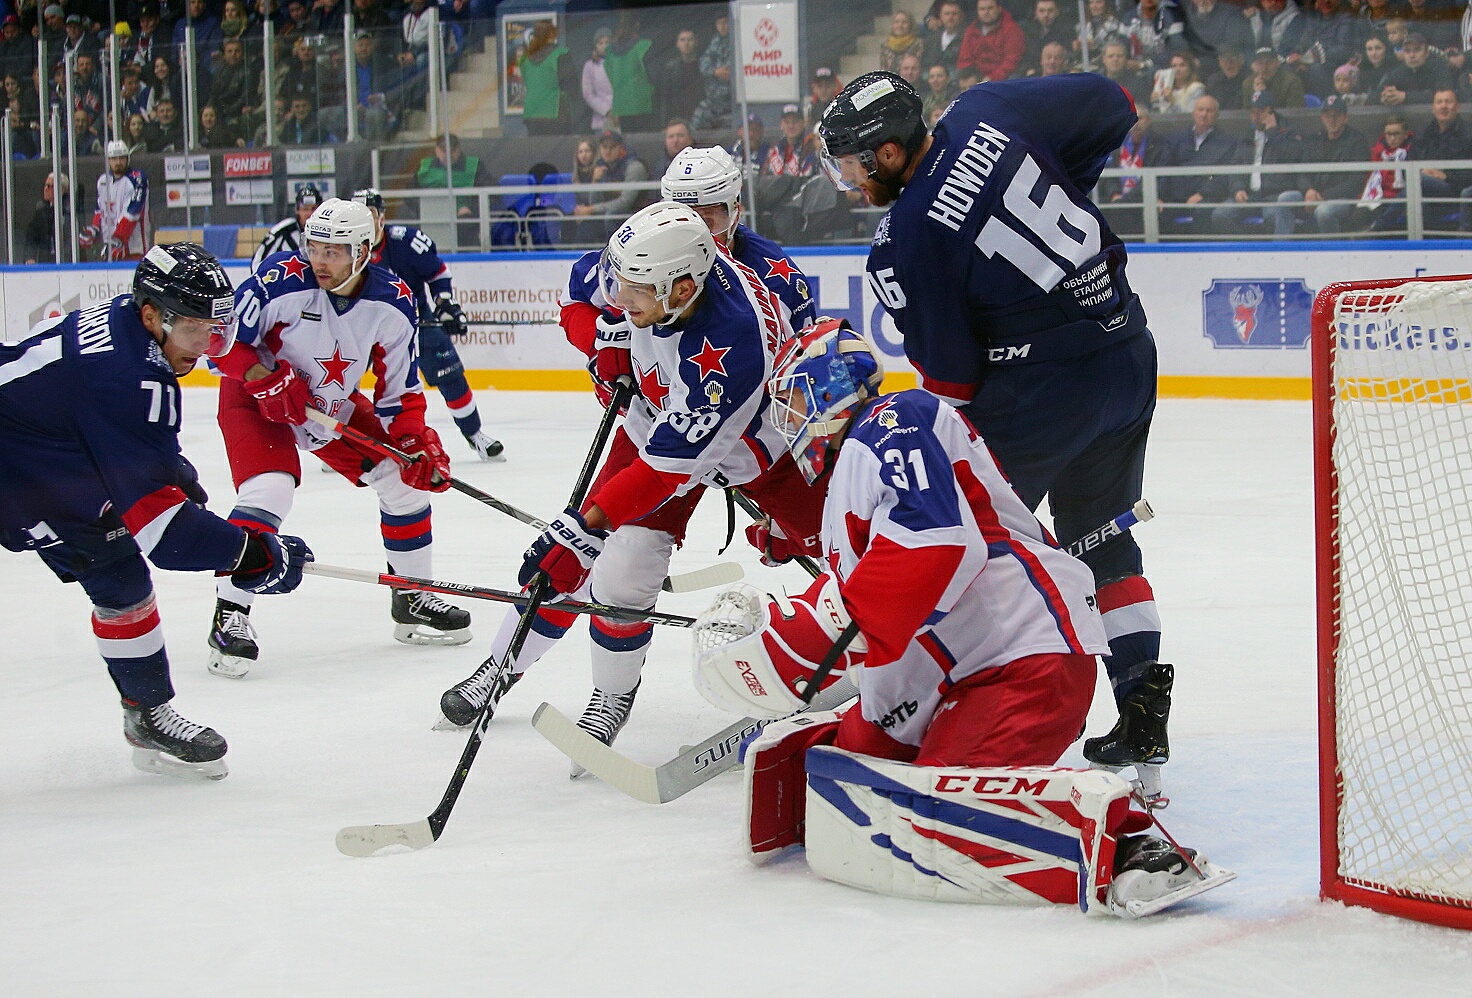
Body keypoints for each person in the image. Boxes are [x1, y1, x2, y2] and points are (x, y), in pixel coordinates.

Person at [689, 321, 1227, 915]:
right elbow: (888, 608)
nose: (787, 418)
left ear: (829, 385)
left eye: (792, 397)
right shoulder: (854, 473)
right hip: (965, 673)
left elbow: (937, 544)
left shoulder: (892, 419)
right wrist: (848, 743)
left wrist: (806, 637)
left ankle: (1130, 846)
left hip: (1022, 659)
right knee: (867, 782)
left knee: (931, 819)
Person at [816, 71, 1176, 798]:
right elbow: (1116, 105)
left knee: (967, 540)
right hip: (1126, 356)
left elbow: (950, 382)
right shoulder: (990, 109)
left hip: (1040, 391)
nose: (850, 180)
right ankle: (1142, 706)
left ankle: (945, 700)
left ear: (887, 153)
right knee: (1103, 538)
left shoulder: (906, 236)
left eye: (853, 163)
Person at [437, 204, 826, 764]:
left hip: (753, 448)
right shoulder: (646, 266)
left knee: (846, 551)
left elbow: (666, 470)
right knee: (621, 571)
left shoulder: (732, 337)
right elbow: (578, 298)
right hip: (657, 425)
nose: (619, 298)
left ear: (683, 288)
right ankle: (593, 691)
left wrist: (585, 525)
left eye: (634, 294)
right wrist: (601, 340)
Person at [0, 244, 312, 779]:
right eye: (198, 329)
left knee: (118, 573)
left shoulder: (128, 328)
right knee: (122, 558)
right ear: (153, 316)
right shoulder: (129, 376)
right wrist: (253, 553)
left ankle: (145, 714)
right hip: (21, 468)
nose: (211, 345)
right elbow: (165, 537)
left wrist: (162, 466)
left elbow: (88, 418)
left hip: (40, 461)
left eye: (218, 329)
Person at [206, 199, 472, 679]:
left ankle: (411, 595)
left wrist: (412, 440)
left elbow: (400, 392)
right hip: (256, 398)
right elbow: (220, 342)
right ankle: (231, 614)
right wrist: (262, 375)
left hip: (325, 406)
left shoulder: (393, 302)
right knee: (270, 490)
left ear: (364, 251)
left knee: (402, 480)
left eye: (334, 250)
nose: (320, 260)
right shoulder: (279, 279)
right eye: (314, 247)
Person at [353, 187, 504, 461]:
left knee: (451, 375)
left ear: (382, 217)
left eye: (369, 214)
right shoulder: (345, 248)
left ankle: (475, 434)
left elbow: (437, 274)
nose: (363, 221)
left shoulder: (406, 242)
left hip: (415, 320)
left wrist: (445, 305)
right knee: (344, 380)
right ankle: (344, 439)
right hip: (361, 326)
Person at [1277, 93, 1371, 232]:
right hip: (1312, 195)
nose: (1332, 120)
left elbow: (1355, 182)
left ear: (1345, 118)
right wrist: (1308, 190)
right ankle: (1281, 249)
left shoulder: (1357, 141)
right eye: (1328, 115)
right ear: (1322, 118)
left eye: (1336, 115)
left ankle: (1333, 252)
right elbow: (1302, 171)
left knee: (1324, 212)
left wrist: (1324, 197)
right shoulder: (1314, 139)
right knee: (1285, 199)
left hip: (1341, 199)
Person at [1214, 92, 1303, 235]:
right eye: (1253, 112)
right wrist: (1238, 189)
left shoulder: (1288, 131)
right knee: (1221, 215)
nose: (1255, 116)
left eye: (1260, 112)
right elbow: (1236, 166)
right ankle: (1245, 250)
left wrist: (1273, 133)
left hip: (1273, 194)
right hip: (1248, 194)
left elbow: (1293, 157)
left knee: (1273, 217)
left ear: (1271, 112)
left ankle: (1272, 253)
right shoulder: (1247, 135)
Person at [1158, 94, 1243, 234]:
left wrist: (1202, 194)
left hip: (1206, 197)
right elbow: (1164, 169)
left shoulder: (1228, 142)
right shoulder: (1176, 139)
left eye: (1209, 111)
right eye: (1200, 109)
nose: (1204, 114)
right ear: (1194, 112)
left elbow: (1224, 176)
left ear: (1217, 114)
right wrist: (1159, 196)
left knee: (1202, 210)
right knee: (1157, 211)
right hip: (1175, 196)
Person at [415, 132, 490, 249]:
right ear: (436, 150)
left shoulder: (474, 167)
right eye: (443, 150)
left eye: (452, 151)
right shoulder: (424, 167)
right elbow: (409, 196)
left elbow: (491, 195)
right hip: (431, 217)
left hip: (463, 220)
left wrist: (471, 210)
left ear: (458, 150)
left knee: (467, 225)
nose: (448, 155)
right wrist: (423, 209)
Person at [1410, 88, 1472, 230]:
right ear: (1433, 108)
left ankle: (1382, 225)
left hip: (1456, 189)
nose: (1443, 106)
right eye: (1439, 102)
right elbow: (1407, 165)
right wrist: (1424, 171)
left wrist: (1446, 176)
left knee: (1417, 181)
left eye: (1448, 102)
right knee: (1416, 184)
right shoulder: (1423, 133)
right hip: (1426, 189)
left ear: (1457, 107)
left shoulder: (1469, 134)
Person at [80, 141, 149, 262]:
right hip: (110, 249)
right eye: (114, 158)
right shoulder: (103, 181)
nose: (118, 162)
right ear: (108, 160)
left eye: (122, 158)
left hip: (134, 249)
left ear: (128, 159)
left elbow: (133, 213)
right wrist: (94, 230)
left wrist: (118, 239)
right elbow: (101, 211)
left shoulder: (137, 179)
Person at [519, 19, 573, 135]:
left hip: (531, 113)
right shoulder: (561, 54)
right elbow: (570, 85)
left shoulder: (525, 59)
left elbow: (528, 81)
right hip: (555, 112)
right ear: (553, 34)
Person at [252, 182, 322, 269]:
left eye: (314, 208)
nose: (310, 213)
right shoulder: (283, 231)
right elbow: (257, 262)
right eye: (305, 209)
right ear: (297, 210)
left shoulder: (329, 232)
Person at [958, 0, 1026, 82]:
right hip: (977, 77)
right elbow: (964, 59)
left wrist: (992, 78)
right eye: (982, 9)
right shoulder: (971, 30)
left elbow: (1012, 61)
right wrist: (973, 77)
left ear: (999, 9)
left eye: (990, 8)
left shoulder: (1012, 29)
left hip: (1004, 78)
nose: (986, 12)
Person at [691, 13, 731, 129]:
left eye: (725, 22)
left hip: (732, 100)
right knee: (696, 123)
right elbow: (703, 64)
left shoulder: (738, 39)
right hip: (714, 99)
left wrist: (732, 74)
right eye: (719, 23)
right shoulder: (715, 41)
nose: (723, 27)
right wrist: (715, 72)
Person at [23, 170, 70, 263]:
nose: (45, 189)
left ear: (62, 189)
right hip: (45, 261)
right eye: (45, 185)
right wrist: (29, 257)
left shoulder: (70, 211)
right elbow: (31, 236)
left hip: (66, 263)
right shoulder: (41, 212)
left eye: (49, 186)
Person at [658, 27, 703, 124]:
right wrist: (665, 124)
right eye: (682, 40)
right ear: (677, 44)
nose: (686, 43)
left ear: (696, 42)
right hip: (678, 117)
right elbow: (665, 97)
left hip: (702, 115)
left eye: (690, 39)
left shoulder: (705, 66)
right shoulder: (670, 68)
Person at [924, 0, 969, 77]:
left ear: (961, 17)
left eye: (954, 14)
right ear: (940, 16)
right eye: (947, 14)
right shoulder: (931, 40)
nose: (950, 17)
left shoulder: (967, 39)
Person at [581, 26, 614, 131]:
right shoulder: (590, 66)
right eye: (600, 43)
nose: (604, 46)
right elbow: (588, 94)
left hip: (622, 117)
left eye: (607, 42)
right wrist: (607, 110)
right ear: (595, 45)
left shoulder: (620, 62)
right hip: (601, 121)